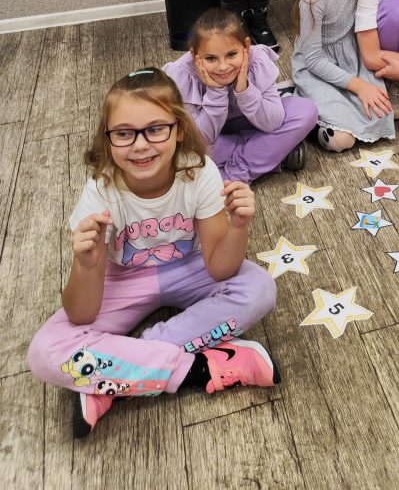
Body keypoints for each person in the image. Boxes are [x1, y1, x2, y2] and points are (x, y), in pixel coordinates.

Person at [27, 69, 279, 438]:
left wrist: (238, 227)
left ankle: (114, 377)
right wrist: (85, 264)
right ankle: (201, 369)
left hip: (191, 267)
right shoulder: (100, 191)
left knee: (260, 289)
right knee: (43, 352)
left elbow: (221, 269)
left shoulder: (199, 172)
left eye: (156, 129)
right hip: (124, 277)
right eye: (124, 133)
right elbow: (82, 313)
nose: (140, 145)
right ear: (107, 138)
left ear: (179, 130)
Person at [163, 9, 318, 182]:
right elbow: (200, 139)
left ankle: (232, 175)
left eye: (231, 54)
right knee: (182, 150)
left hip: (251, 123)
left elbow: (273, 123)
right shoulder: (182, 74)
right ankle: (271, 153)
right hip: (214, 140)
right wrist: (215, 91)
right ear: (194, 55)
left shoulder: (257, 60)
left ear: (246, 46)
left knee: (306, 110)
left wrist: (244, 90)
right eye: (211, 58)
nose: (223, 67)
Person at [292, 0, 395, 151]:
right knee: (341, 141)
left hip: (351, 57)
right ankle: (300, 111)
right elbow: (314, 59)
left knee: (378, 114)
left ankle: (326, 112)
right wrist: (359, 86)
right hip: (317, 66)